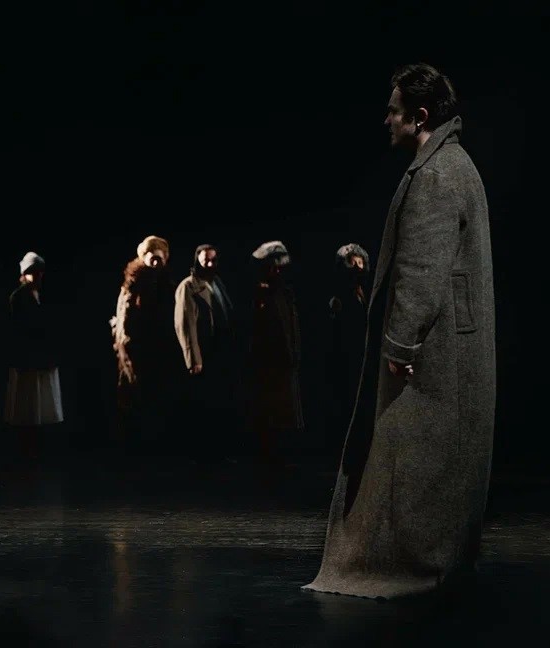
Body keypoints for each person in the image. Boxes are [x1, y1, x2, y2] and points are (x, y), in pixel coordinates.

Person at [303, 63, 495, 599]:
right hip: (449, 346)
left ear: (420, 116)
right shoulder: (457, 164)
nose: (386, 120)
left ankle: (407, 563)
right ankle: (437, 561)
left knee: (409, 463)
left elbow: (421, 270)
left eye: (393, 111)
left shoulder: (435, 175)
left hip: (433, 352)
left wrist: (401, 343)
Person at [109, 235, 179, 454]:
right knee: (134, 399)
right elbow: (124, 319)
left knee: (157, 400)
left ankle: (156, 445)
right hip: (136, 352)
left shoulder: (168, 284)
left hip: (160, 350)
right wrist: (127, 350)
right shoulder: (133, 283)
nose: (156, 262)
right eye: (152, 257)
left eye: (160, 258)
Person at [173, 244, 239, 452]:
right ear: (197, 261)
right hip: (205, 353)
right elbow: (185, 325)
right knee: (203, 404)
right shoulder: (188, 286)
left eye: (213, 260)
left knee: (221, 402)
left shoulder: (217, 283)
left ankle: (220, 449)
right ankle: (203, 452)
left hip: (221, 351)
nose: (210, 264)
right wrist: (194, 359)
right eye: (205, 260)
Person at [245, 241, 304, 467]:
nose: (277, 272)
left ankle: (282, 455)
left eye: (279, 268)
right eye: (272, 267)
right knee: (269, 413)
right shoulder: (259, 293)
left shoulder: (285, 292)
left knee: (285, 413)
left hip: (286, 361)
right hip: (268, 364)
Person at [3, 252, 64, 458]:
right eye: (32, 273)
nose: (37, 276)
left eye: (38, 272)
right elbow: (18, 330)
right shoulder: (18, 297)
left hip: (41, 357)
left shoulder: (41, 296)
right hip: (28, 358)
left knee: (42, 402)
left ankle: (40, 447)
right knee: (28, 403)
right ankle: (27, 448)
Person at [324, 243, 370, 453]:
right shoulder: (339, 297)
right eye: (353, 264)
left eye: (360, 263)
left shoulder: (361, 293)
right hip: (346, 359)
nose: (358, 268)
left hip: (360, 355)